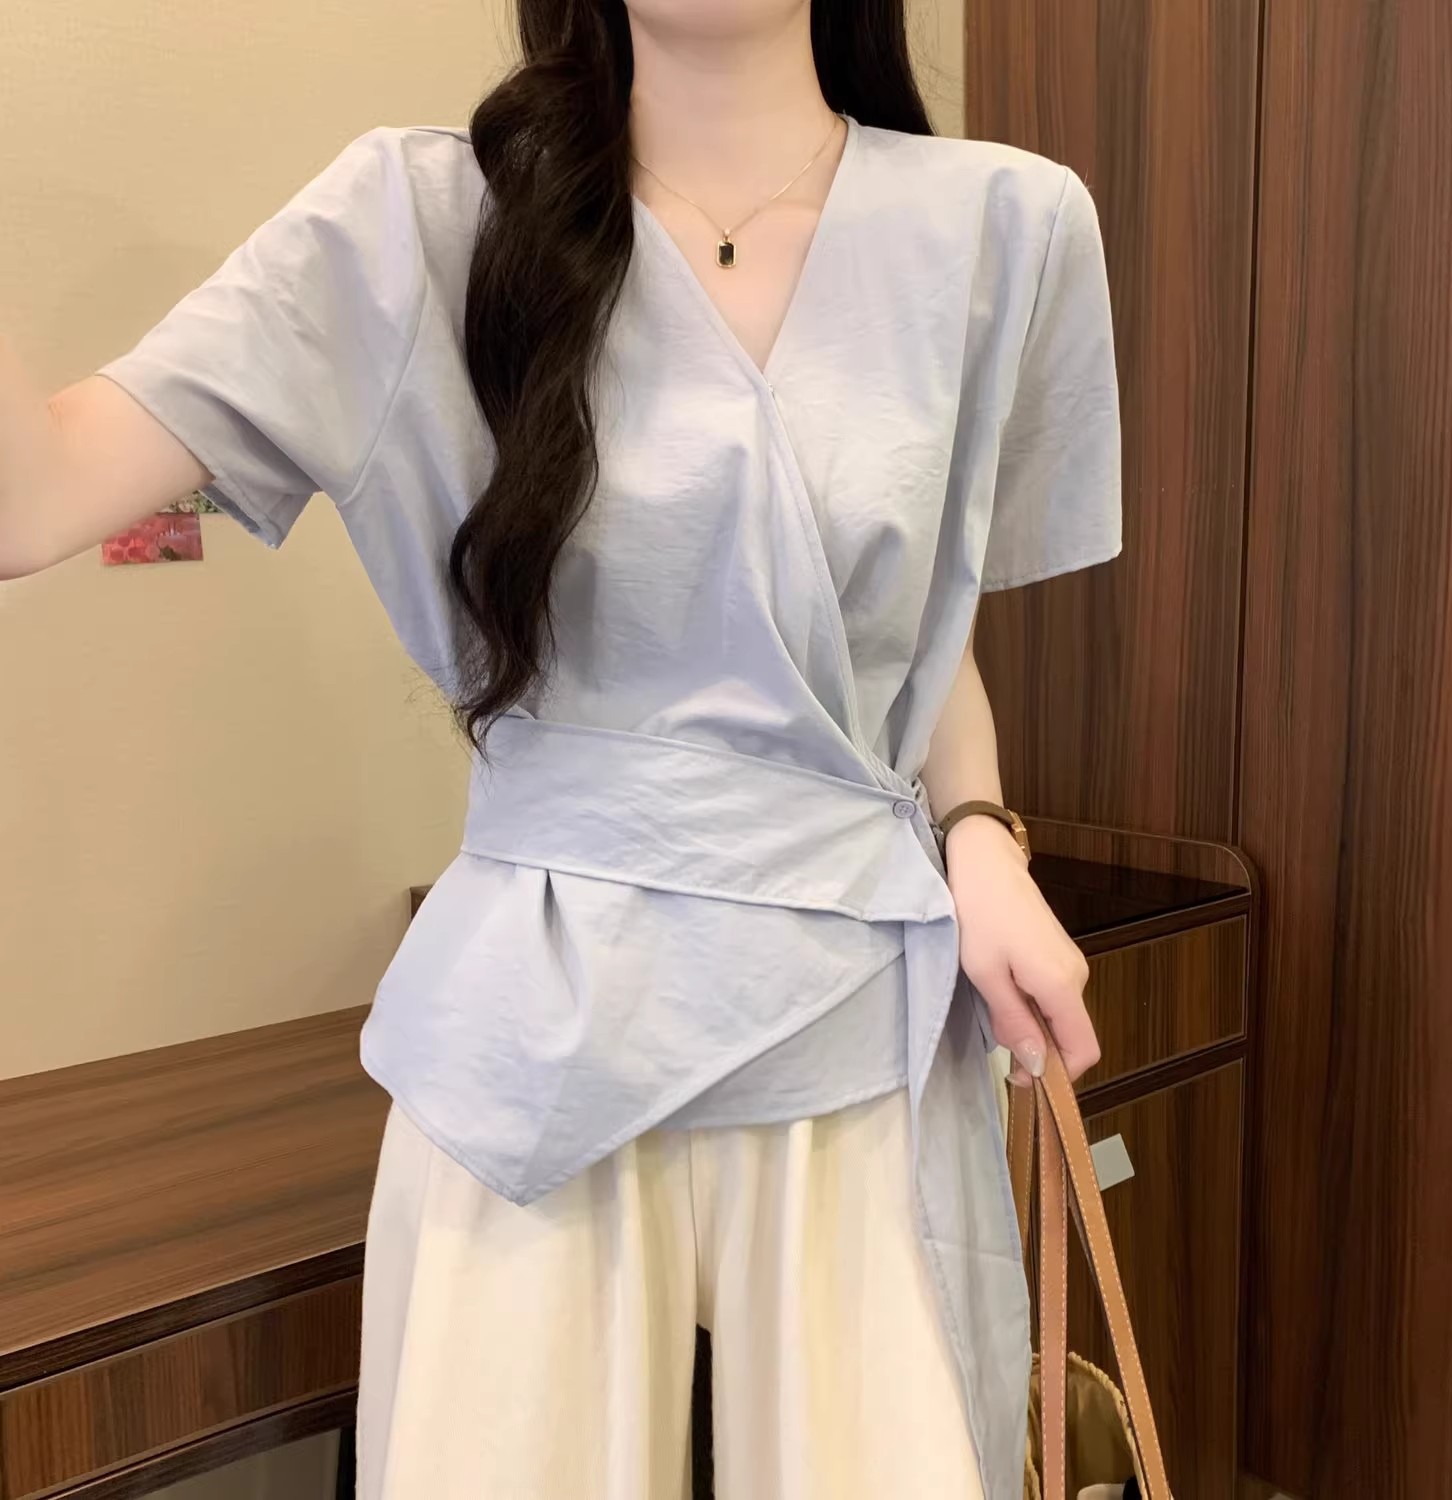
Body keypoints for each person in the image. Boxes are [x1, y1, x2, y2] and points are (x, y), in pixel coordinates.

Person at [0, 1, 1122, 1494]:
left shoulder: (1005, 226)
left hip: (857, 1005)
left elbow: (915, 623)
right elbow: (30, 501)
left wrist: (978, 837)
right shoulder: (412, 222)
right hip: (538, 1025)